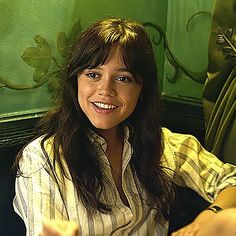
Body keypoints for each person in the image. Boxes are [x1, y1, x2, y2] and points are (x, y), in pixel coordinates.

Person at [13, 17, 236, 236]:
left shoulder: (163, 144)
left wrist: (210, 215)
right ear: (75, 82)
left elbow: (230, 180)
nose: (105, 90)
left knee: (228, 222)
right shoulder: (42, 159)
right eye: (93, 74)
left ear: (141, 90)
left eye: (123, 78)